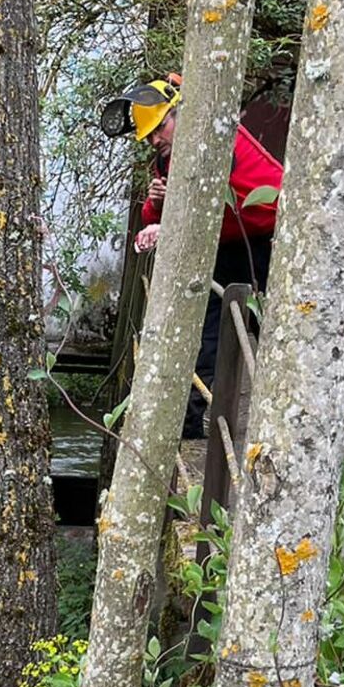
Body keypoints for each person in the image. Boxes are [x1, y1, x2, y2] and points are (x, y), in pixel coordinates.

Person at [101, 74, 283, 437]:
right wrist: (154, 206)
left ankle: (285, 417)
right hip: (222, 247)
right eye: (150, 136)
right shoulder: (170, 159)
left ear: (179, 112)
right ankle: (189, 427)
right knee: (208, 336)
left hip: (268, 242)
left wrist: (167, 210)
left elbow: (202, 201)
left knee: (276, 333)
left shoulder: (215, 138)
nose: (156, 140)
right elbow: (172, 213)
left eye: (160, 128)